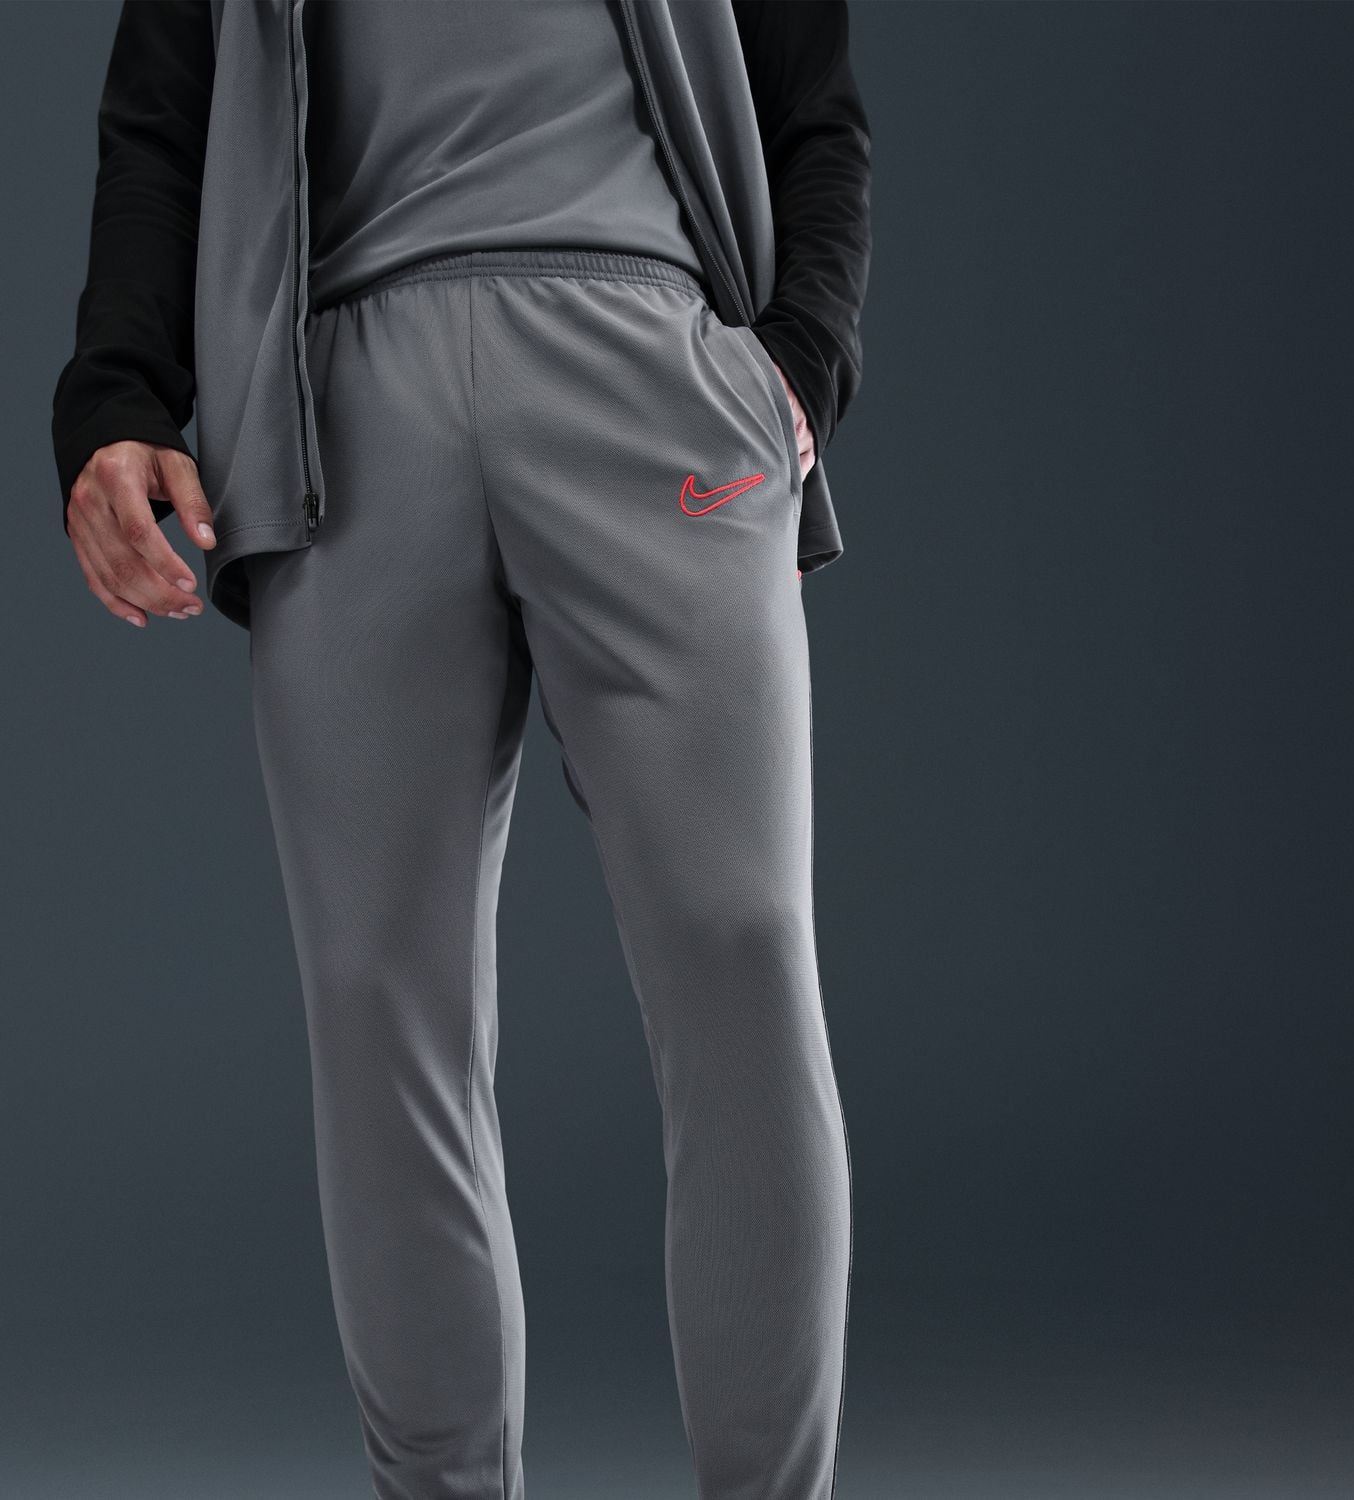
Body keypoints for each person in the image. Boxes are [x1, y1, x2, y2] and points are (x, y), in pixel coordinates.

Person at [51, 3, 872, 1497]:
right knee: (378, 1004)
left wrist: (801, 354)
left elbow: (809, 90)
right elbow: (160, 115)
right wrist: (115, 392)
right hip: (344, 396)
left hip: (647, 357)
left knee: (741, 947)